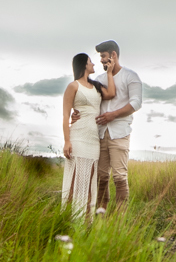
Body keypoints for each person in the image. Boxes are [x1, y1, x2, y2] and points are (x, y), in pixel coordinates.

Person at [61, 52, 117, 218]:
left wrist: (109, 73)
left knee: (90, 181)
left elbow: (111, 93)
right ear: (84, 65)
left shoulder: (96, 86)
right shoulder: (73, 86)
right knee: (74, 180)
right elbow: (65, 115)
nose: (93, 64)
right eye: (90, 61)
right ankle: (67, 219)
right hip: (78, 137)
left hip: (93, 139)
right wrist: (67, 141)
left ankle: (86, 221)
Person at [92, 40, 143, 211]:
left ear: (113, 55)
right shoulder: (99, 79)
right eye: (100, 57)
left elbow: (136, 103)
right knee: (101, 177)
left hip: (120, 133)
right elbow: (92, 103)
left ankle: (120, 220)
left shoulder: (131, 76)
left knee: (120, 177)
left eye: (103, 56)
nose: (101, 60)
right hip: (100, 134)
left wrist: (113, 115)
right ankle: (101, 215)